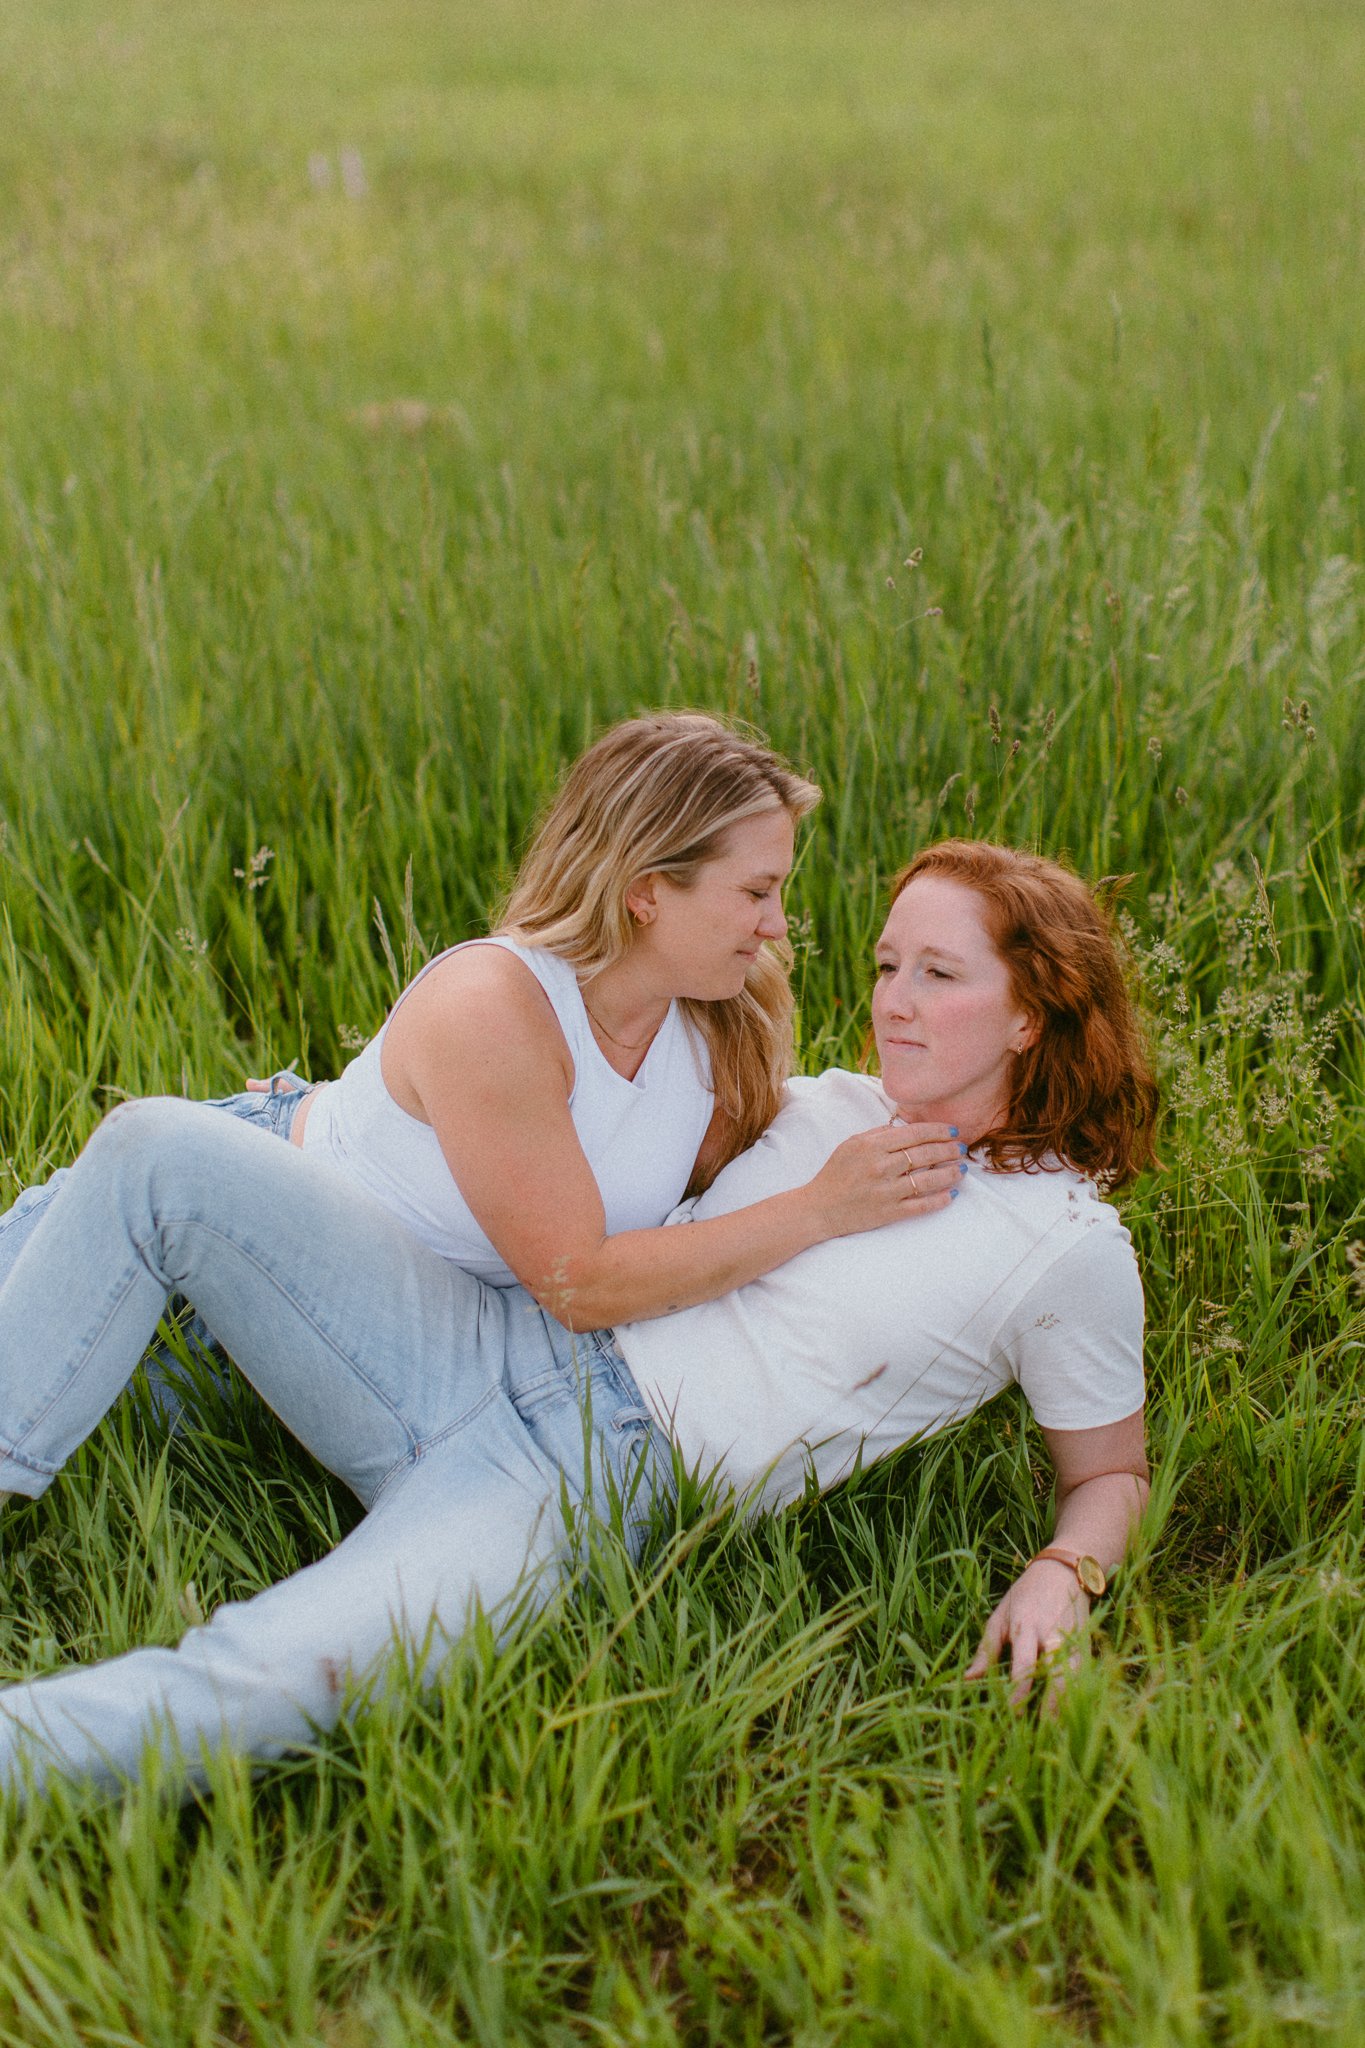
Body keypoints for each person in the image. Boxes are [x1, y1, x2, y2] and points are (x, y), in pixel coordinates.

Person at [0, 839, 1159, 1797]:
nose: (893, 1002)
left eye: (938, 976)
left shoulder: (1065, 1245)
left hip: (590, 1481)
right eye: (886, 962)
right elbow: (593, 1170)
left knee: (275, 1673)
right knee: (162, 1147)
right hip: (489, 1331)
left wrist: (1067, 1568)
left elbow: (1112, 1470)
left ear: (1030, 1013)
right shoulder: (824, 1111)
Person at [0, 712, 962, 1356]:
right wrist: (823, 1208)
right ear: (643, 893)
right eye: (755, 892)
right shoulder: (496, 1007)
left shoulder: (724, 1028)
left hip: (340, 1336)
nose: (777, 925)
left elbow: (700, 1226)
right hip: (187, 1266)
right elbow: (577, 1283)